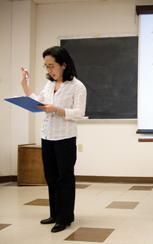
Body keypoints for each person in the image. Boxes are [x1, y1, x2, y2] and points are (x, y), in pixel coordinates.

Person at [20, 46, 87, 233]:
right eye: (46, 67)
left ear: (63, 65)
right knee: (51, 177)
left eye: (52, 66)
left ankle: (65, 218)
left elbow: (79, 113)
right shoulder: (49, 85)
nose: (49, 70)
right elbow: (39, 101)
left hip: (65, 137)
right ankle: (55, 214)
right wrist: (24, 85)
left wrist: (56, 109)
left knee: (64, 178)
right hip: (47, 136)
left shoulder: (77, 86)